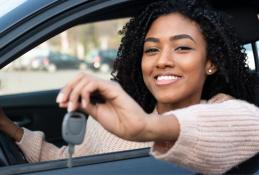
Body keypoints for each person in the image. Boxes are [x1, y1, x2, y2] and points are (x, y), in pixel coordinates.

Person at [0, 0, 258, 174]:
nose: (163, 61)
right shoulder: (110, 119)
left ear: (210, 63)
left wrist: (147, 128)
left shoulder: (222, 111)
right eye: (152, 50)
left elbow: (247, 127)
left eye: (182, 48)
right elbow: (68, 164)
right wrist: (10, 129)